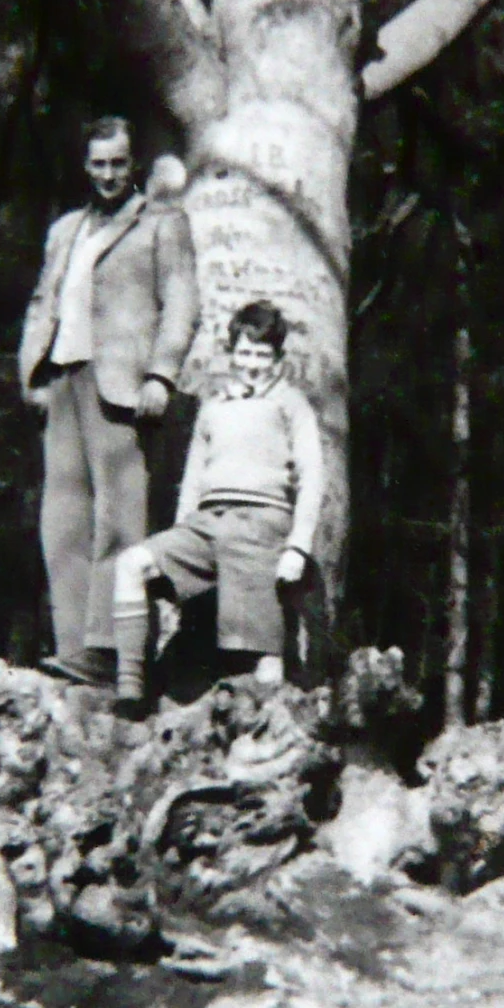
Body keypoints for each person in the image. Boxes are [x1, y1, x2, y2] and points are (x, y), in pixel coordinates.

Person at [18, 116, 200, 685]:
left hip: (121, 385)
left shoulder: (163, 224)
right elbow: (42, 300)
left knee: (119, 519)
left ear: (134, 163)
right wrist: (30, 371)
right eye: (98, 164)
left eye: (118, 163)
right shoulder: (66, 230)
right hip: (65, 380)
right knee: (62, 520)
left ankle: (106, 647)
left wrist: (161, 375)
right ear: (85, 165)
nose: (108, 174)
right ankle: (72, 646)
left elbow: (182, 303)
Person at [113, 300, 322, 708]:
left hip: (260, 526)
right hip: (206, 524)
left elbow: (312, 477)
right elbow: (193, 479)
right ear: (232, 354)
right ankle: (129, 692)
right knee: (131, 564)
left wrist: (298, 545)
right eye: (245, 353)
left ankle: (270, 729)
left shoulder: (291, 404)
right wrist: (179, 532)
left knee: (259, 655)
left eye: (263, 354)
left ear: (277, 357)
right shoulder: (214, 407)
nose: (253, 363)